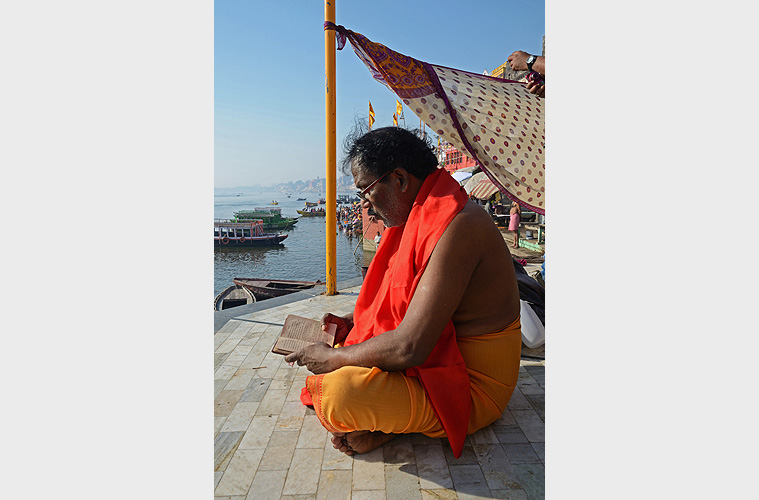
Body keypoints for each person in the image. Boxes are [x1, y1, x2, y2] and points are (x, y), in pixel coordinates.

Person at [285, 127, 522, 458]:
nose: (365, 205)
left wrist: (334, 358)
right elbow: (405, 301)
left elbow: (410, 347)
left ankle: (389, 425)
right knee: (344, 351)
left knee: (337, 392)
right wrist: (354, 321)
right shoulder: (421, 216)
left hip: (472, 385)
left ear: (399, 179)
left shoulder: (459, 226)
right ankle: (384, 424)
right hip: (439, 355)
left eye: (365, 191)